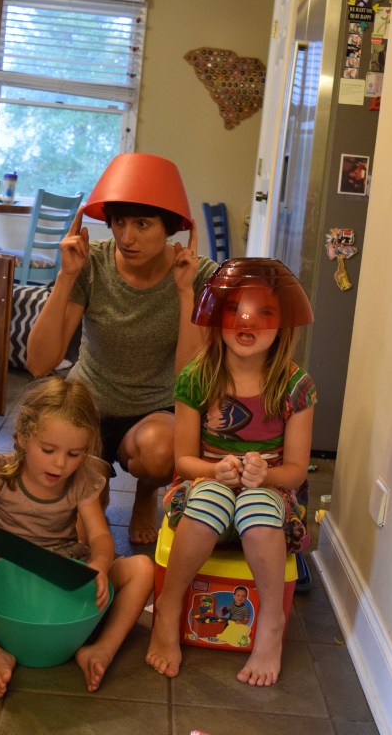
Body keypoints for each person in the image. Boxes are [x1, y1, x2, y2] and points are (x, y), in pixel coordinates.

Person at [25, 153, 220, 543]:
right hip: (88, 407)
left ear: (170, 227)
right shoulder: (92, 263)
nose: (126, 237)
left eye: (142, 224)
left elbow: (191, 378)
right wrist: (66, 276)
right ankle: (96, 479)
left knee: (162, 452)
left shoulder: (199, 275)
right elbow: (39, 362)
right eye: (119, 222)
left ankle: (146, 492)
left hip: (155, 415)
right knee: (80, 531)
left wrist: (185, 293)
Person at [0, 376, 154, 698]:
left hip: (60, 575)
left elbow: (100, 535)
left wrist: (100, 563)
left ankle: (102, 649)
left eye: (74, 454)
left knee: (143, 568)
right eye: (48, 450)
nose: (60, 463)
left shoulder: (82, 481)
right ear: (23, 436)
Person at [146, 258, 317, 687]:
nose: (247, 321)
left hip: (270, 498)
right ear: (217, 315)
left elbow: (296, 471)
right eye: (235, 309)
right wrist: (213, 470)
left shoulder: (296, 386)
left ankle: (272, 623)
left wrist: (267, 476)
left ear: (283, 323)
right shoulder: (197, 377)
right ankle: (168, 607)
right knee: (210, 498)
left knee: (257, 507)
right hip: (207, 486)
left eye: (264, 312)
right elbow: (183, 461)